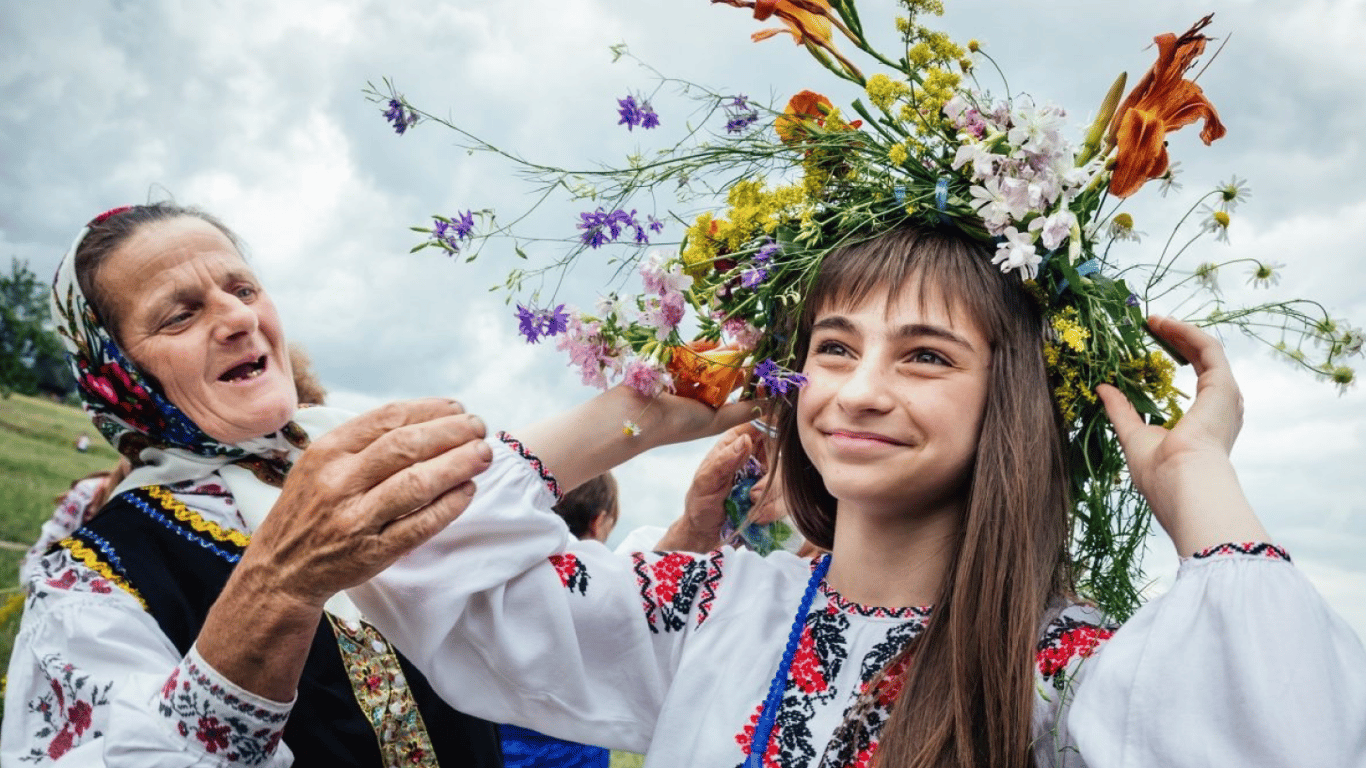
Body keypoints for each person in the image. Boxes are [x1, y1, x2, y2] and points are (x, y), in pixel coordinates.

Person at [346, 224, 1366, 767]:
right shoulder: (715, 615)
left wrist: (1194, 479)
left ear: (1007, 404)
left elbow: (1283, 738)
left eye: (925, 356)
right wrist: (642, 414)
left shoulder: (1065, 675)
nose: (859, 391)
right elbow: (416, 556)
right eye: (832, 349)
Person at [1, 203, 504, 766]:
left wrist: (623, 388)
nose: (239, 318)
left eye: (242, 289)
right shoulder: (92, 586)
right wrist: (281, 585)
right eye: (179, 315)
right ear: (118, 373)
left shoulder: (354, 455)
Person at [499, 473, 619, 768]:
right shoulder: (596, 581)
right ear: (599, 521)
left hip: (501, 743)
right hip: (571, 753)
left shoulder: (510, 564)